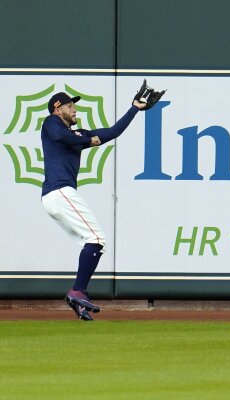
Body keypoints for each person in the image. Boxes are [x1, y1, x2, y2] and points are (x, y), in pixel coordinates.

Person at [41, 90, 149, 321]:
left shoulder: (77, 134)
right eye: (70, 106)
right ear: (58, 109)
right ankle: (77, 291)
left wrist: (134, 109)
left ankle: (79, 297)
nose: (75, 109)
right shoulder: (51, 122)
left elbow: (111, 132)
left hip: (58, 196)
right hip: (59, 191)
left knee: (92, 242)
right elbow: (62, 137)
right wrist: (86, 139)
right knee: (96, 239)